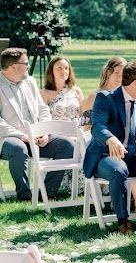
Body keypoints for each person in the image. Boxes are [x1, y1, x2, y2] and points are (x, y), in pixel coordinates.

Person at [83, 60, 136, 235]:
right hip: (105, 156)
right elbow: (97, 126)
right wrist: (110, 138)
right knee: (118, 170)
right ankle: (123, 220)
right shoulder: (105, 98)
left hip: (133, 157)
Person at [0, 47, 75, 201]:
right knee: (18, 148)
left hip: (37, 136)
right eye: (25, 63)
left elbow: (43, 109)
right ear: (13, 67)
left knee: (67, 146)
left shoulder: (30, 81)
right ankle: (24, 196)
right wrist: (23, 136)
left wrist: (45, 131)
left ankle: (47, 193)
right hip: (9, 138)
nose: (29, 66)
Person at [81, 56, 127, 126]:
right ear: (108, 73)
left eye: (123, 74)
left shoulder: (125, 97)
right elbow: (87, 127)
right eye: (116, 73)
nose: (120, 77)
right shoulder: (94, 97)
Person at [41, 56, 84, 122]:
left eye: (66, 68)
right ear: (51, 71)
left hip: (75, 127)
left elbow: (83, 116)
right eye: (59, 68)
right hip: (54, 128)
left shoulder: (77, 91)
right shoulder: (44, 93)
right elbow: (43, 118)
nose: (63, 71)